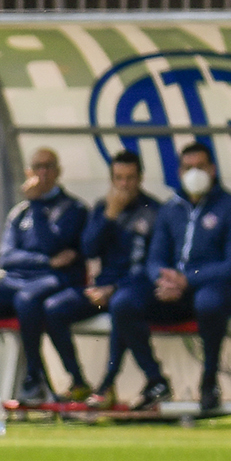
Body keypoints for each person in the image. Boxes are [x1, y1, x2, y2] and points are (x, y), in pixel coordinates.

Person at [115, 141, 231, 416]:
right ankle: (155, 379)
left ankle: (209, 380)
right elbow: (154, 258)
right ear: (179, 172)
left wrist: (187, 280)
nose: (194, 173)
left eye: (200, 167)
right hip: (174, 291)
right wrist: (163, 278)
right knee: (124, 302)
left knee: (208, 302)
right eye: (188, 167)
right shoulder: (170, 209)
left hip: (214, 290)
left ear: (213, 170)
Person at [0, 146, 88, 408]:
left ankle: (32, 377)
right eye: (38, 167)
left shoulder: (73, 209)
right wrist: (44, 260)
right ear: (29, 172)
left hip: (56, 281)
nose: (43, 173)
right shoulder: (19, 212)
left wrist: (37, 205)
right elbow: (7, 257)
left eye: (48, 167)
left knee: (28, 300)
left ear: (58, 172)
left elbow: (52, 243)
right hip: (20, 279)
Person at [76, 150, 162, 409]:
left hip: (134, 290)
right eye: (118, 178)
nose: (124, 184)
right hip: (101, 291)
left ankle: (107, 384)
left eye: (130, 178)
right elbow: (88, 249)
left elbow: (152, 266)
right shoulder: (103, 208)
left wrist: (114, 289)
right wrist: (109, 216)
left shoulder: (154, 211)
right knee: (54, 309)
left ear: (141, 178)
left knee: (121, 306)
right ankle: (78, 382)